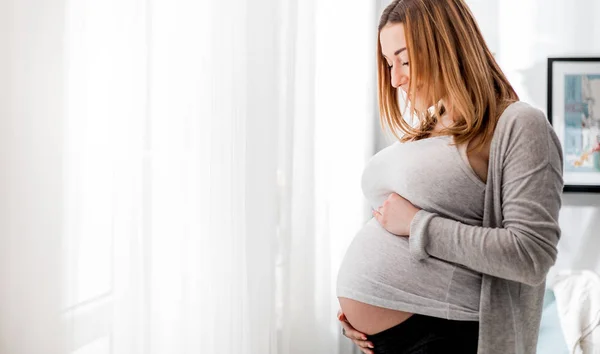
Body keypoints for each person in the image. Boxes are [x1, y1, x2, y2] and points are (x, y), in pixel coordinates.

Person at [335, 0, 564, 353]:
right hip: (391, 342)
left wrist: (417, 226)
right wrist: (366, 305)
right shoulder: (429, 127)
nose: (395, 79)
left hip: (448, 336)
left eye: (405, 60)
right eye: (388, 63)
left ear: (447, 45)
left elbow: (530, 254)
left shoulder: (519, 125)